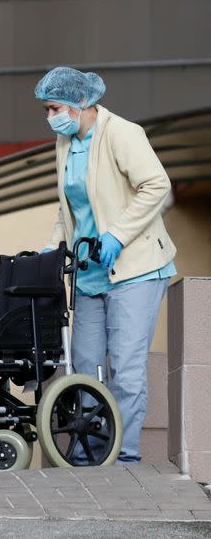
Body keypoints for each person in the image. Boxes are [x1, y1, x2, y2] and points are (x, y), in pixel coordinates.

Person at [36, 67, 177, 464]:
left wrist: (116, 234)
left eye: (54, 108)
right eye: (46, 110)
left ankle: (123, 457)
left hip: (136, 267)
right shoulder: (65, 142)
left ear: (81, 104)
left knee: (126, 371)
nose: (50, 117)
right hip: (90, 273)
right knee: (86, 368)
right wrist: (49, 252)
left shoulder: (121, 133)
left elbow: (156, 185)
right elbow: (69, 211)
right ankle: (89, 458)